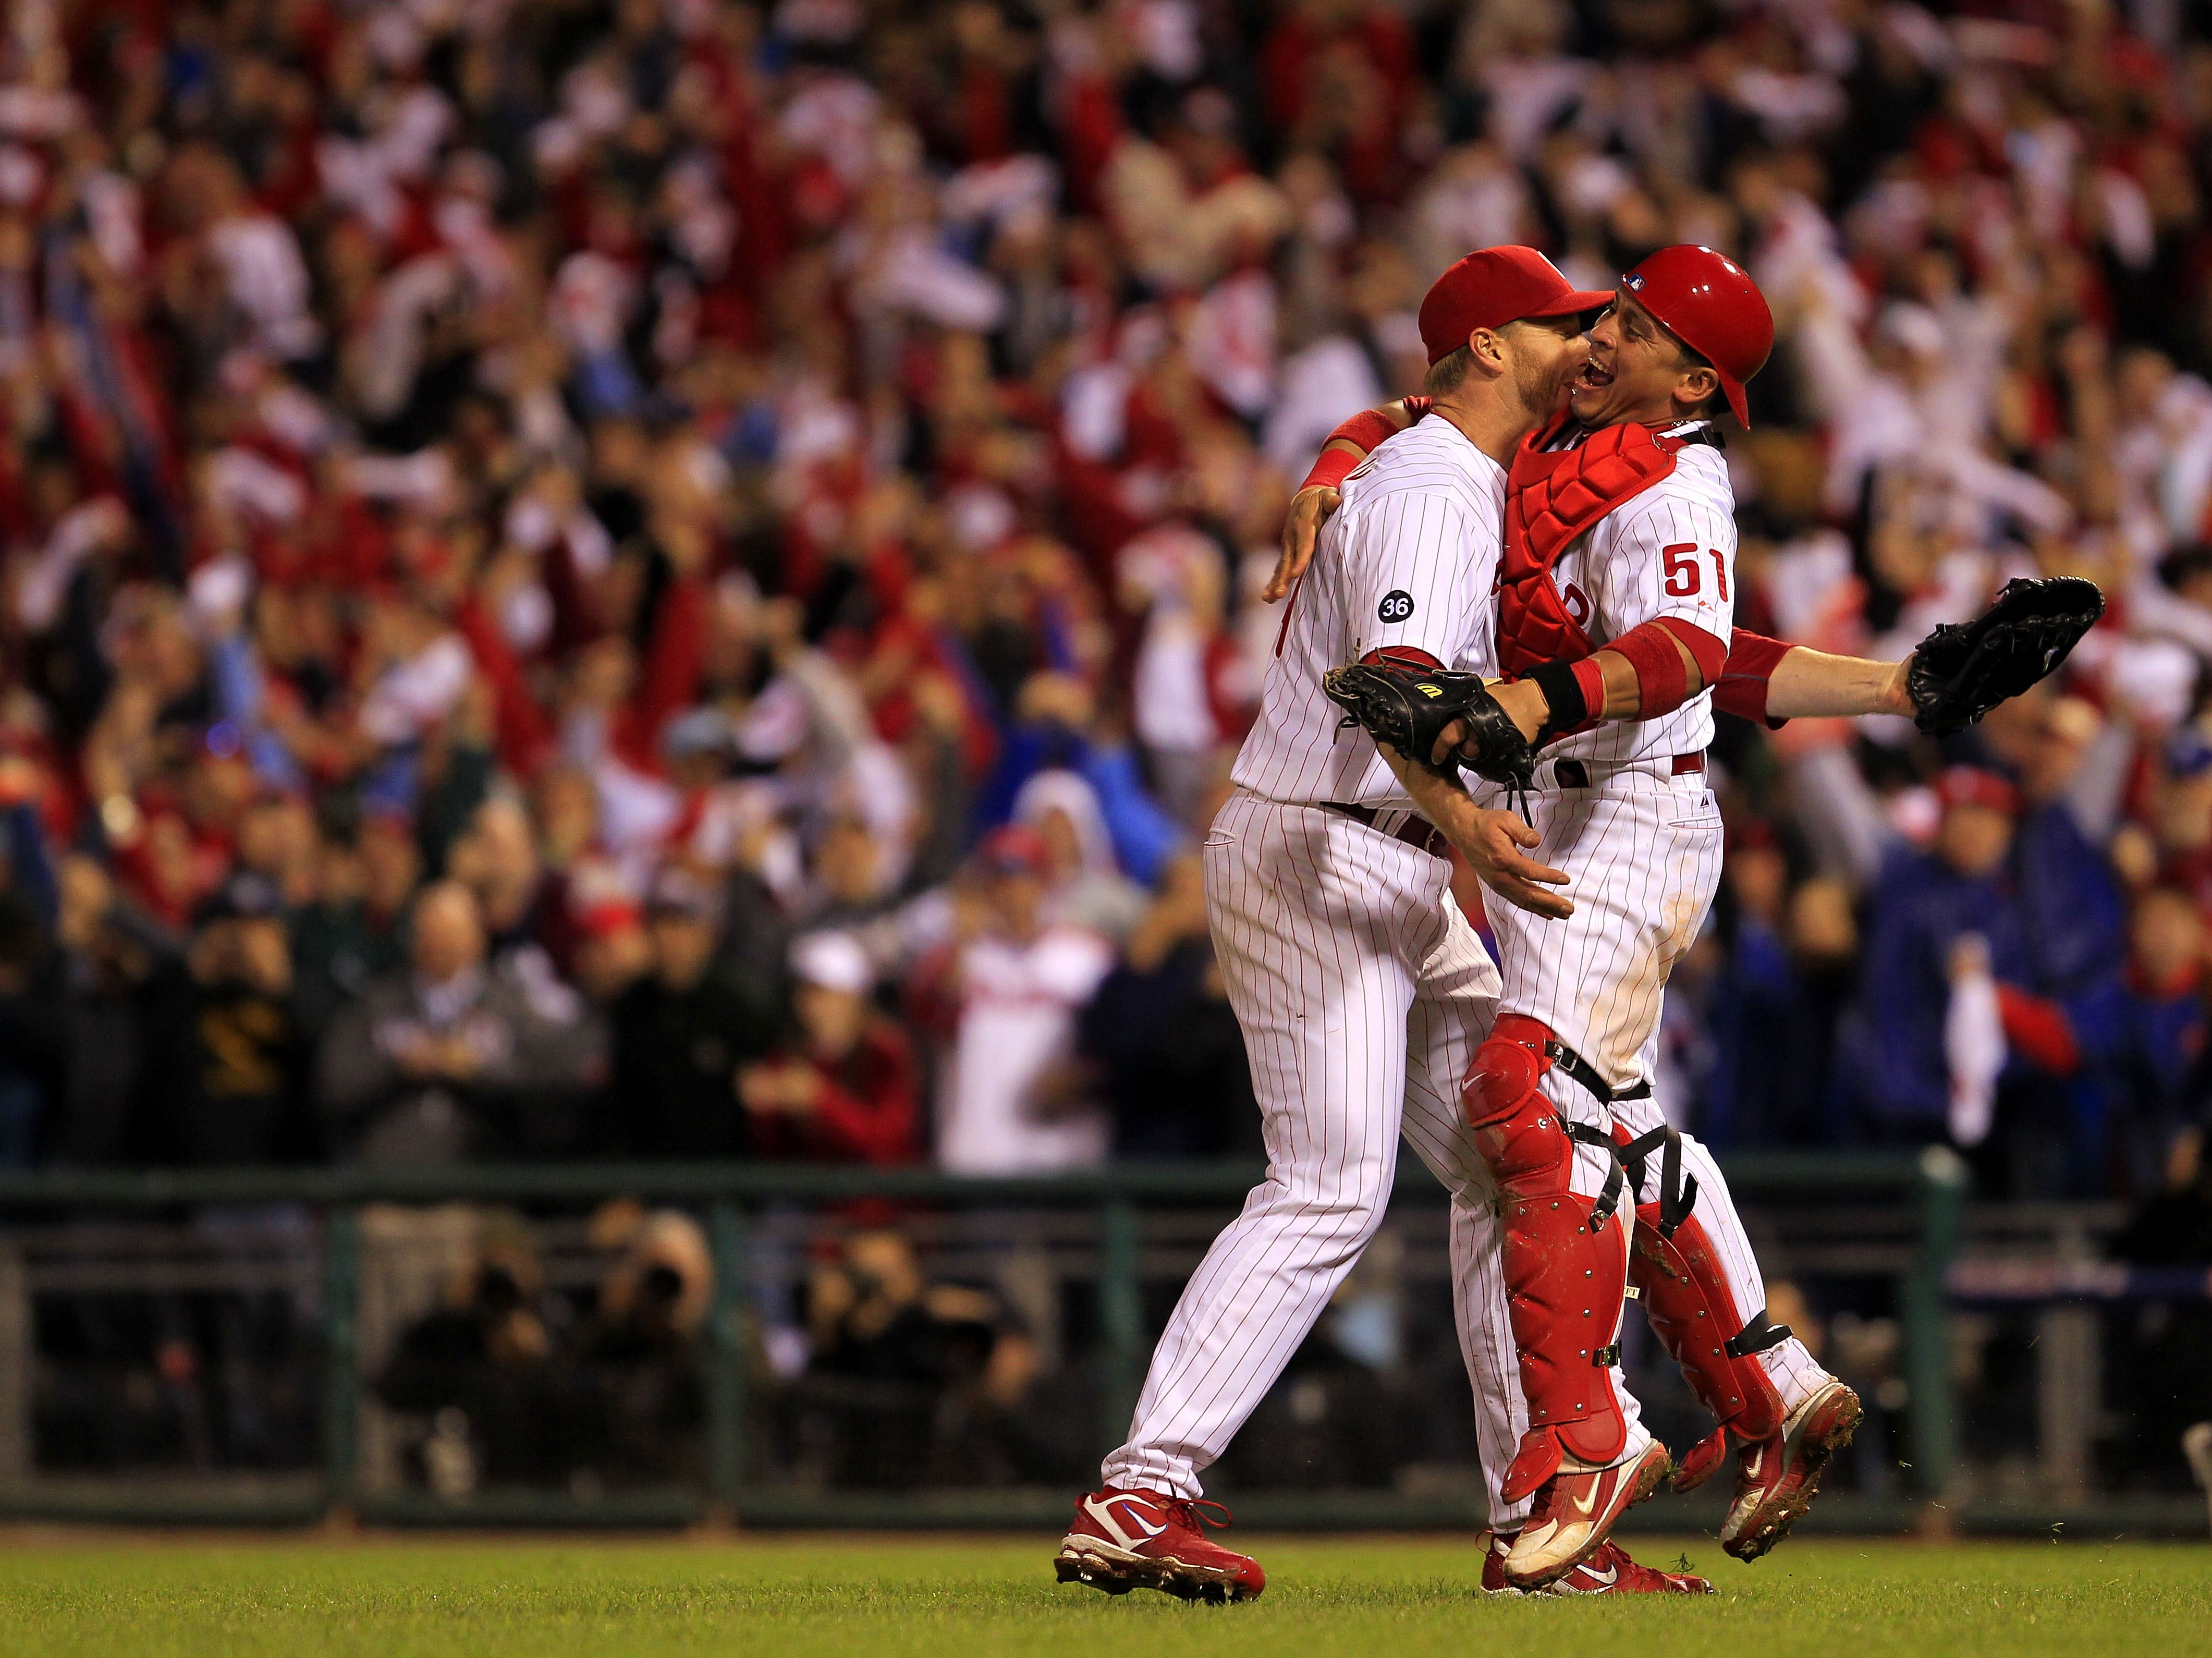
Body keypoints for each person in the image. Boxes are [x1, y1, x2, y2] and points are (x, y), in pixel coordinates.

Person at [1056, 247, 1715, 1603]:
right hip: (1327, 846)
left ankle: (1538, 1518)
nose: (1585, 339)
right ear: (1485, 347)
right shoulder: (1428, 487)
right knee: (1328, 1184)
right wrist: (1468, 823)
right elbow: (1389, 684)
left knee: (1505, 1159)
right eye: (1557, 322)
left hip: (1387, 862)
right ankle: (1141, 1487)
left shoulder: (1436, 461)